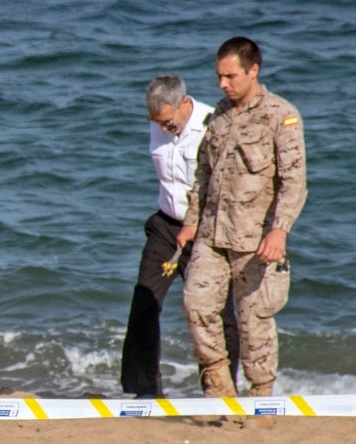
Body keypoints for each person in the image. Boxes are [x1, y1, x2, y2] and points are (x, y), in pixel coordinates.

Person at [177, 36, 307, 397]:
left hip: (256, 240)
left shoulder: (281, 115)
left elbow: (294, 181)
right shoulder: (218, 116)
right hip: (211, 235)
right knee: (197, 306)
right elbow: (202, 173)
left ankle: (261, 395)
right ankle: (218, 388)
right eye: (219, 76)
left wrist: (279, 231)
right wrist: (191, 221)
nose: (222, 84)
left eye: (230, 76)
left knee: (255, 323)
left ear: (254, 71)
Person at [120, 74, 238, 398]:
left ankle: (223, 390)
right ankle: (144, 390)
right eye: (155, 122)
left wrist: (198, 226)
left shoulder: (212, 126)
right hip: (166, 227)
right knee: (145, 299)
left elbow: (221, 188)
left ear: (185, 104)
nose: (161, 129)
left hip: (205, 232)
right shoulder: (159, 122)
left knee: (215, 312)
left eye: (168, 123)